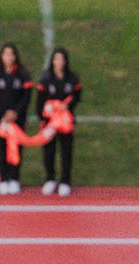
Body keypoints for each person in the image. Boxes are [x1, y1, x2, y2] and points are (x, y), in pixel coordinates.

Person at [0, 42, 32, 195]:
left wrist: (15, 112)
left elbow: (26, 97)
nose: (9, 57)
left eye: (11, 54)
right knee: (2, 148)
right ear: (1, 56)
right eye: (6, 54)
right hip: (1, 119)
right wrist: (3, 114)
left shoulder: (22, 74)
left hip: (18, 119)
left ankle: (14, 178)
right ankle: (3, 178)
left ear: (16, 56)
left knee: (17, 148)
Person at [36, 48, 81, 196]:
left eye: (62, 59)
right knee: (49, 150)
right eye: (56, 59)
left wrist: (68, 105)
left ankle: (65, 181)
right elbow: (39, 101)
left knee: (66, 150)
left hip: (66, 122)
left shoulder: (72, 79)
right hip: (50, 122)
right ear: (52, 61)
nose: (59, 62)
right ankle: (50, 179)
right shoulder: (45, 79)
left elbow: (77, 95)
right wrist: (43, 118)